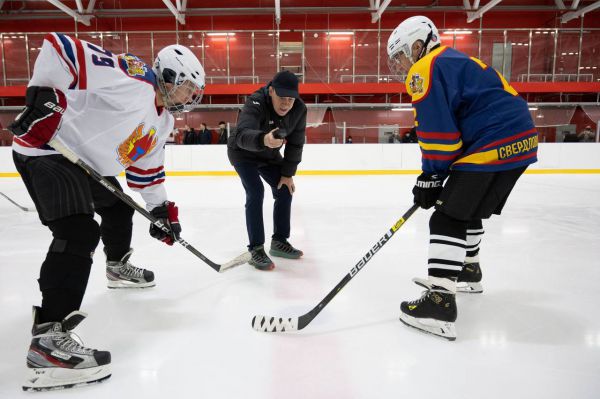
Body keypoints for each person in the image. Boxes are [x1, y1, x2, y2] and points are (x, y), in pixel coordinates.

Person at [8, 33, 205, 390]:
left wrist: (161, 210)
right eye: (188, 88)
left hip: (86, 166)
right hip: (46, 150)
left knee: (117, 207)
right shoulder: (134, 79)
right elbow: (61, 49)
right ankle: (48, 342)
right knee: (79, 232)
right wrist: (45, 96)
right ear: (171, 77)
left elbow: (146, 171)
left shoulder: (164, 123)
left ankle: (117, 267)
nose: (191, 97)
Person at [387, 16, 538, 340]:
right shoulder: (453, 59)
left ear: (418, 44)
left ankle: (439, 304)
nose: (401, 64)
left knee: (447, 218)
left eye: (401, 54)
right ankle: (468, 269)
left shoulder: (425, 67)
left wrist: (430, 176)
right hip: (521, 139)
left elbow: (439, 134)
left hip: (493, 140)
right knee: (466, 209)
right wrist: (436, 176)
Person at [227, 70, 306, 270]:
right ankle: (256, 249)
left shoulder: (299, 110)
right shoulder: (255, 102)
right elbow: (242, 134)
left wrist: (287, 174)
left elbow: (296, 144)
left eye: (291, 99)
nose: (286, 104)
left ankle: (279, 241)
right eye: (282, 98)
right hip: (243, 153)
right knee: (255, 191)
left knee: (284, 188)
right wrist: (264, 139)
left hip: (269, 155)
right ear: (271, 91)